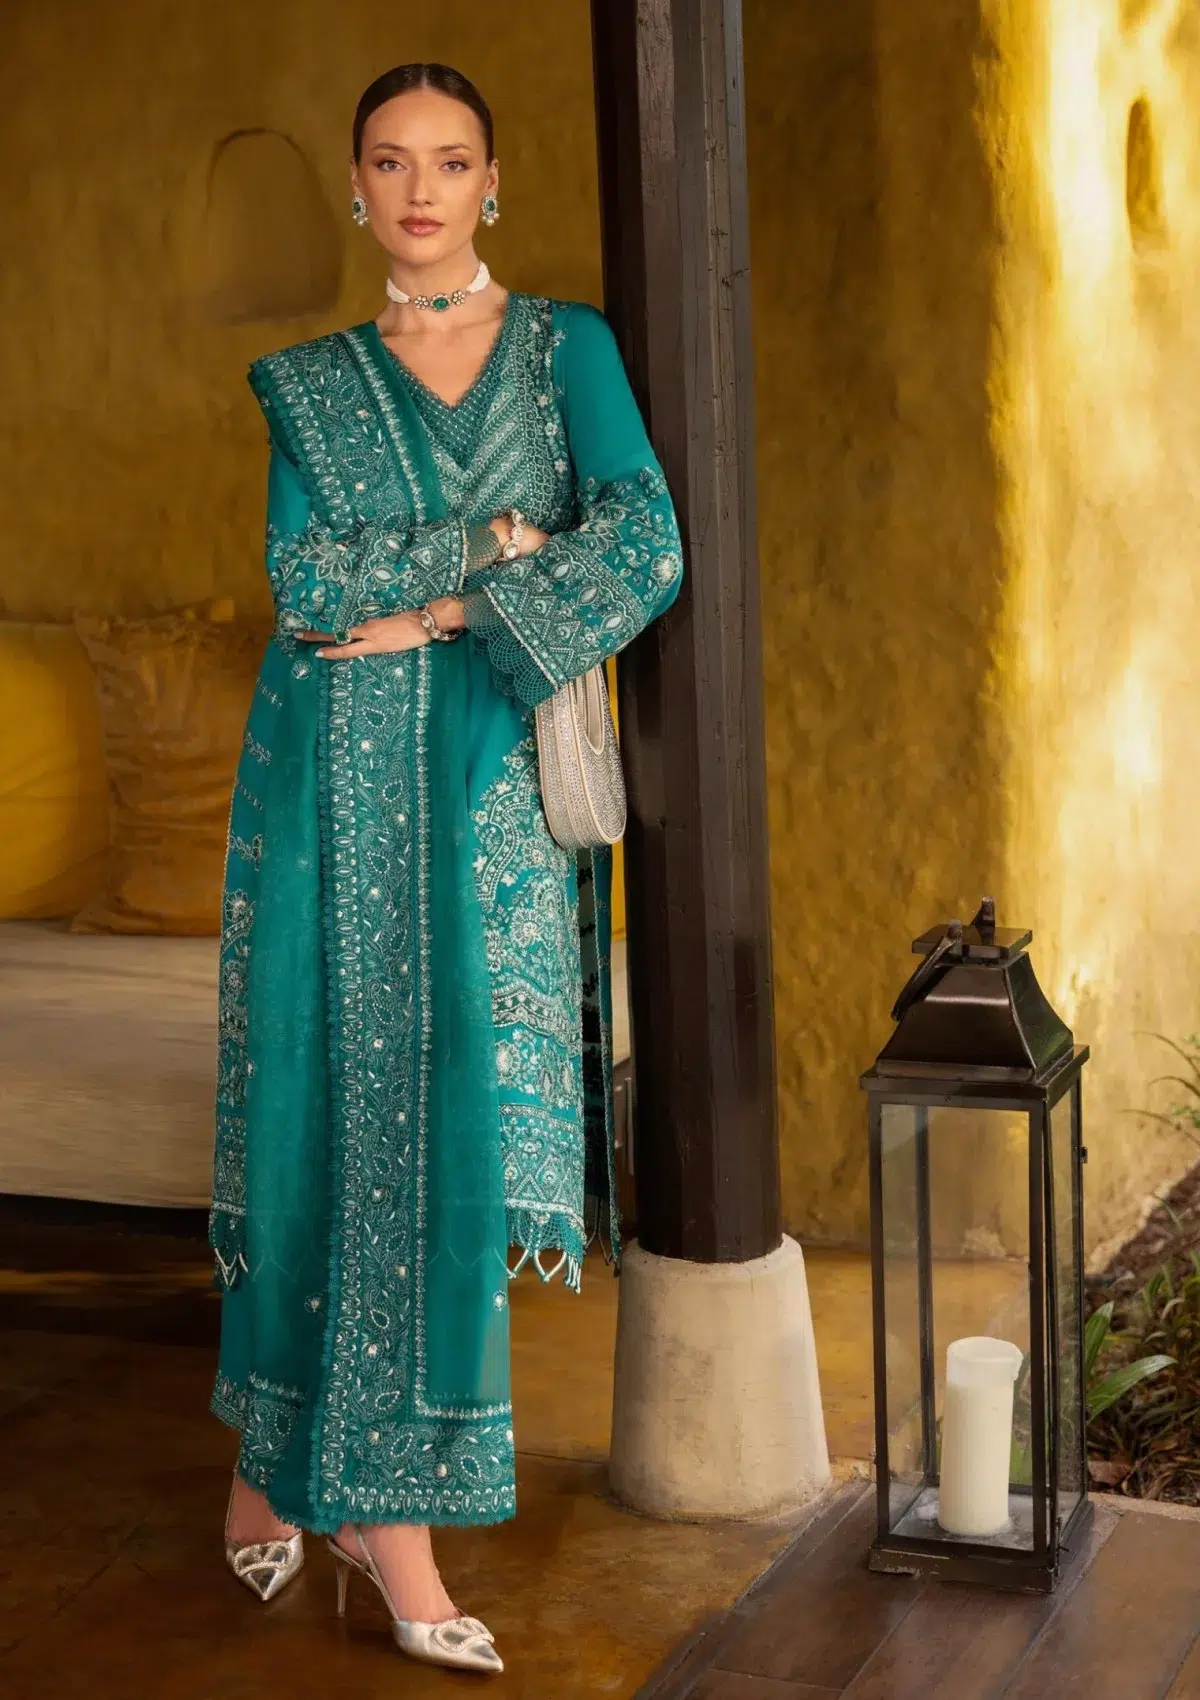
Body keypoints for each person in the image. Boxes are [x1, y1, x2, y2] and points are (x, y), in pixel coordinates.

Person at [207, 61, 682, 1674]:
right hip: (327, 790)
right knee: (328, 1121)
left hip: (482, 793)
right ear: (357, 188)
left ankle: (304, 1480)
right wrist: (499, 543)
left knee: (434, 1129)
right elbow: (303, 583)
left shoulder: (566, 351)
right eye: (393, 162)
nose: (422, 190)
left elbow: (644, 540)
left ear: (494, 183)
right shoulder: (311, 384)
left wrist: (443, 611)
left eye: (453, 161)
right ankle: (364, 1513)